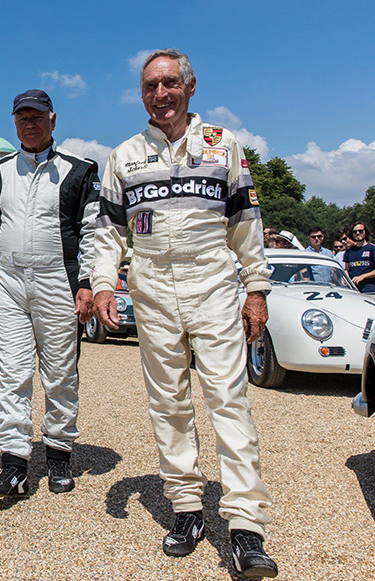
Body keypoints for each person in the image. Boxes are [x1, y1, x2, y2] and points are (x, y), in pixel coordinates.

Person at [92, 49, 278, 577]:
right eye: (151, 86)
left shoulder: (224, 144)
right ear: (142, 94)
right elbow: (108, 231)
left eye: (170, 83)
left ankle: (246, 525)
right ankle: (187, 508)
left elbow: (246, 221)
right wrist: (104, 283)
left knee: (228, 397)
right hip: (150, 285)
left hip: (213, 281)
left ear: (190, 87)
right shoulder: (124, 155)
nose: (161, 95)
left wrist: (256, 289)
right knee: (168, 402)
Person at [0, 89, 100, 497]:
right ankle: (14, 462)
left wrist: (88, 283)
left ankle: (59, 454)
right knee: (12, 374)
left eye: (37, 116)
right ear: (14, 122)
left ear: (53, 119)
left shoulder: (79, 170)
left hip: (57, 280)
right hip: (8, 281)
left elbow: (93, 230)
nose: (30, 123)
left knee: (60, 372)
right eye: (22, 117)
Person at [344, 221, 375, 293]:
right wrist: (346, 280)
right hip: (353, 290)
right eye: (355, 232)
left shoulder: (373, 249)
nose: (357, 233)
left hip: (370, 289)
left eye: (360, 231)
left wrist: (363, 276)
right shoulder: (349, 252)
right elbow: (347, 269)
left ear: (365, 232)